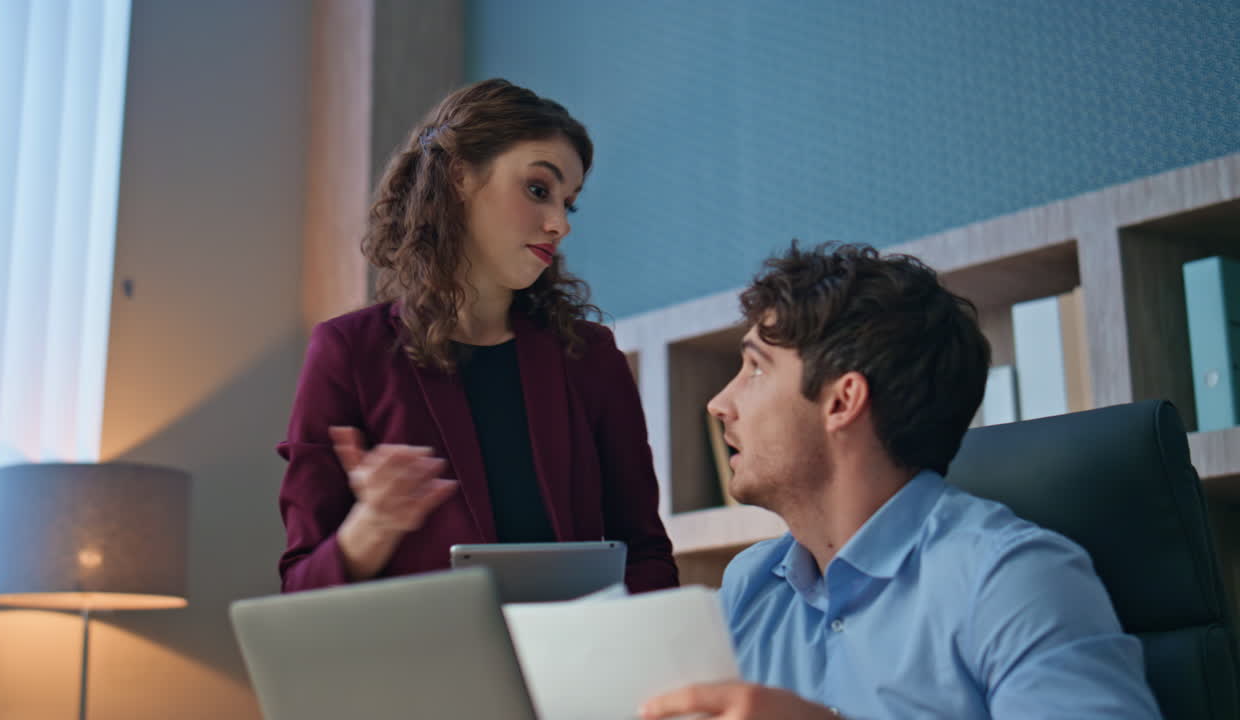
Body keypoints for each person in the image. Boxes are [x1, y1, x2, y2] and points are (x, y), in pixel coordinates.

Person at [641, 243, 1160, 719]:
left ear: (842, 402)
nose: (719, 403)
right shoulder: (749, 585)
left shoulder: (1014, 578)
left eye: (755, 369)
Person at [277, 79, 678, 594]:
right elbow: (300, 592)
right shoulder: (347, 352)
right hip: (417, 669)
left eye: (569, 203)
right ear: (459, 176)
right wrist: (370, 527)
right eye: (538, 189)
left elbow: (644, 555)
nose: (559, 224)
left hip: (575, 670)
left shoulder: (591, 358)